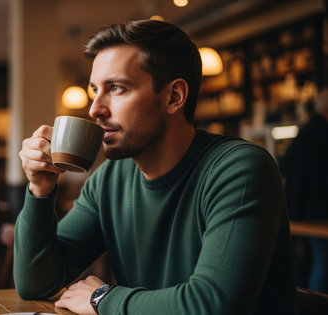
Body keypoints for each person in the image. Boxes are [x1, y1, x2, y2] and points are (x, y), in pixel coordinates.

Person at [15, 20, 297, 314]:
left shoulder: (240, 169)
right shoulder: (110, 180)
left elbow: (213, 306)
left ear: (173, 97)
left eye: (116, 88)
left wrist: (102, 298)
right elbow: (36, 283)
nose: (95, 108)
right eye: (95, 90)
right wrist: (40, 188)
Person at [281, 89, 328, 293]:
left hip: (299, 209)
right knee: (322, 262)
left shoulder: (305, 131)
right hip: (317, 212)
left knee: (311, 260)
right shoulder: (322, 133)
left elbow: (285, 166)